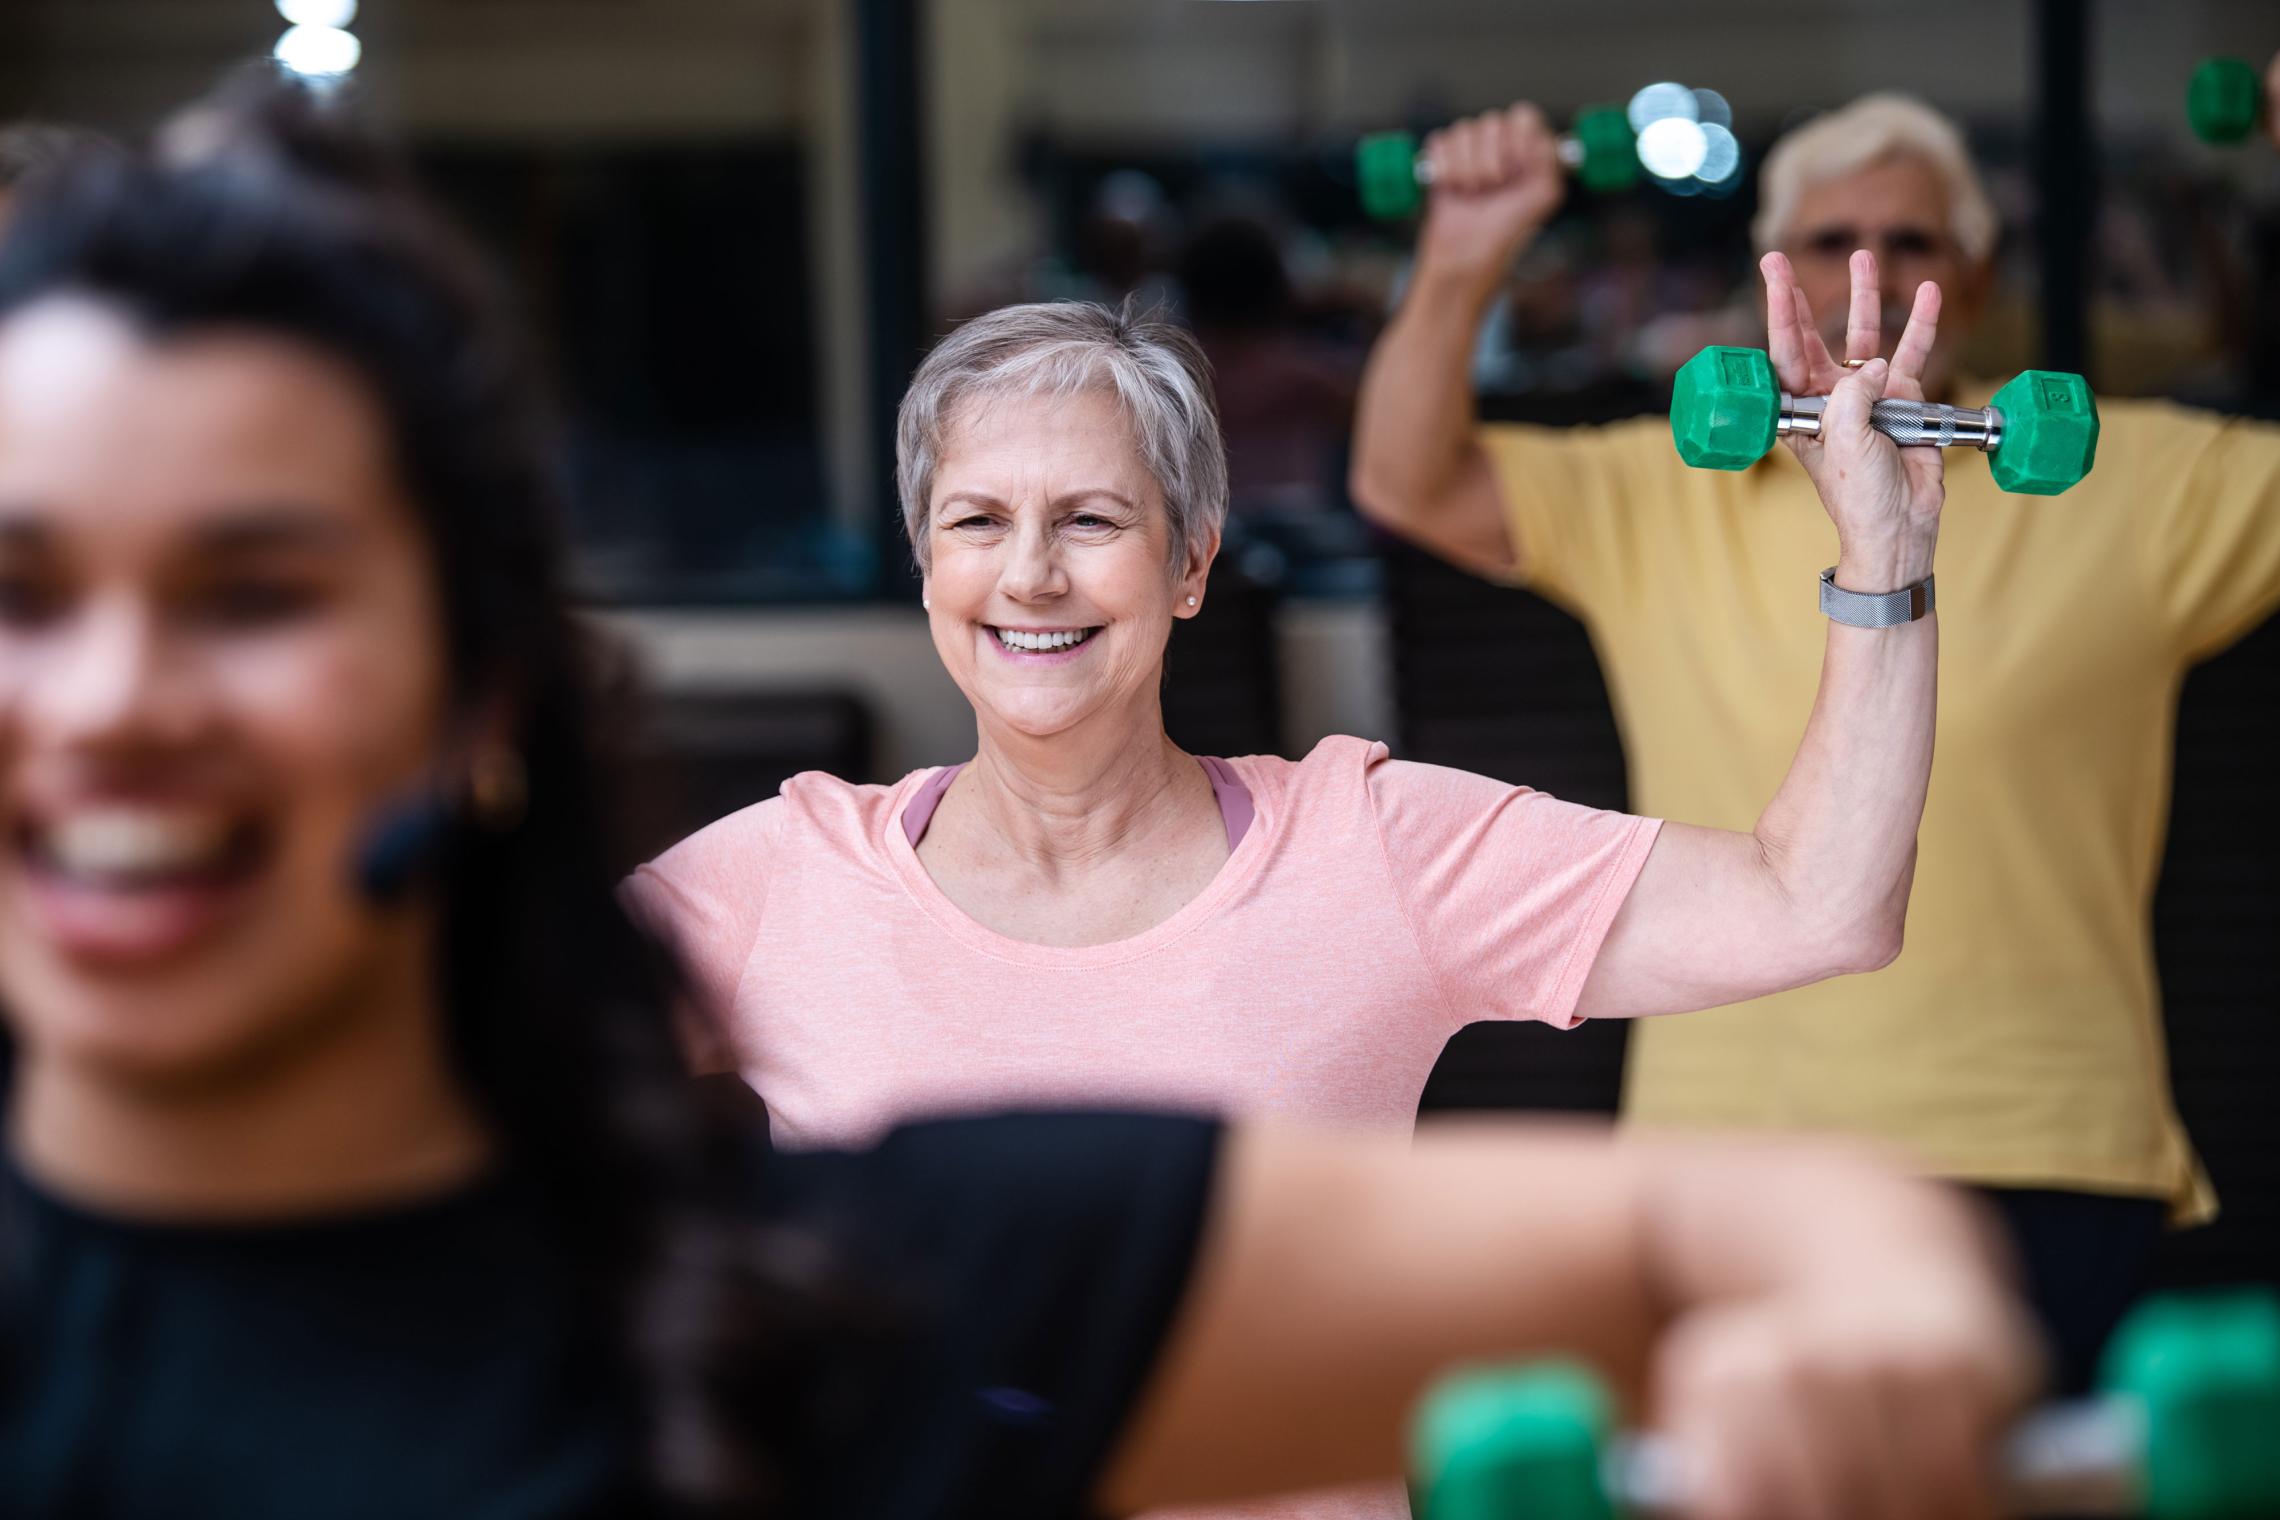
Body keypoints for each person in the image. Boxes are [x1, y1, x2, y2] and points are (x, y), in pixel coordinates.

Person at [0, 84, 2044, 1520]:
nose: (1033, 573)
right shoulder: (771, 889)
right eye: (979, 520)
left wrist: (1879, 557)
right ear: (923, 567)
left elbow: (1816, 909)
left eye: (1090, 521)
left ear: (1192, 558)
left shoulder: (1322, 894)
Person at [1348, 93, 2280, 1392]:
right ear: (1763, 269)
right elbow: (1407, 479)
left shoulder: (2128, 476)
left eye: (1910, 242)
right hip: (1728, 1158)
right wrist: (1463, 249)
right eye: (1831, 239)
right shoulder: (1660, 484)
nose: (1870, 276)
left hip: (2043, 1143)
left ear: (1980, 272)